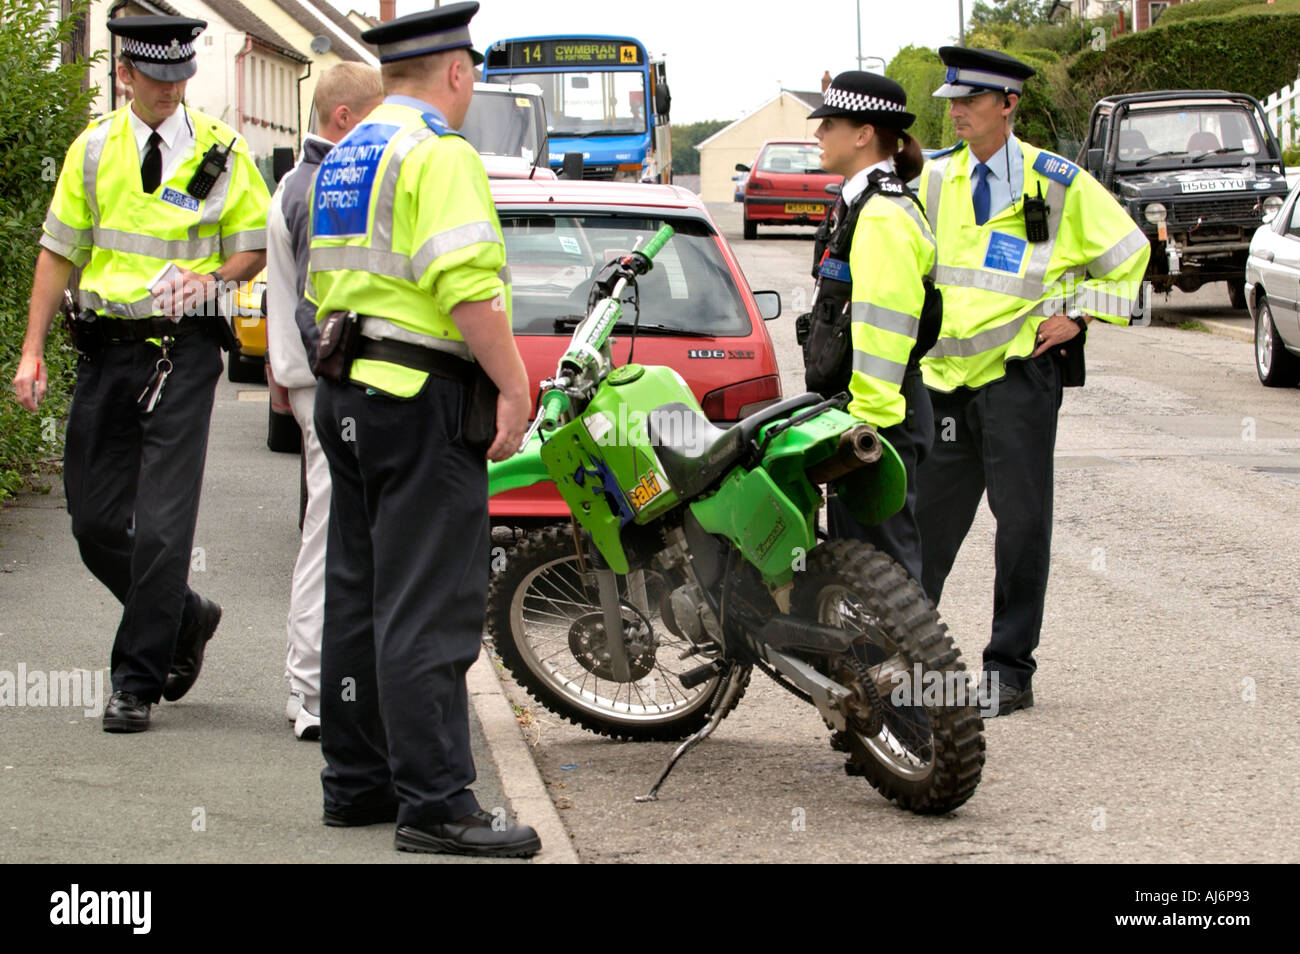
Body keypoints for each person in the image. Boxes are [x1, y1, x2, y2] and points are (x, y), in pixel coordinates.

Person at [307, 2, 540, 857]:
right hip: (419, 401)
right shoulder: (438, 155)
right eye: (472, 73)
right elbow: (467, 289)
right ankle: (439, 803)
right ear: (454, 71)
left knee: (360, 597)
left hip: (348, 395)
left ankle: (357, 781)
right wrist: (514, 387)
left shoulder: (348, 153)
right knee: (430, 608)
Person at [11, 14, 269, 733]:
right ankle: (186, 613)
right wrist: (31, 350)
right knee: (92, 521)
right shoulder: (92, 150)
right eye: (156, 79)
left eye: (180, 78)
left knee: (161, 528)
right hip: (106, 352)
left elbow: (252, 249)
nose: (170, 91)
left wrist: (209, 276)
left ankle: (136, 680)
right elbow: (56, 252)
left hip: (182, 354)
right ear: (125, 75)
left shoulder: (223, 151)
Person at [914, 47, 1149, 716]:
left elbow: (1131, 259)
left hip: (1018, 382)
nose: (955, 110)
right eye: (952, 100)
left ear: (1009, 105)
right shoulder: (932, 180)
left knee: (1020, 526)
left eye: (971, 100)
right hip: (944, 383)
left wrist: (1079, 313)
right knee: (927, 528)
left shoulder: (1059, 182)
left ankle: (1009, 671)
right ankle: (902, 659)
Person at [266, 63, 383, 742]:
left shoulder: (294, 183)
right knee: (330, 536)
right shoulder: (327, 187)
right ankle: (311, 688)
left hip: (307, 381)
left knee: (329, 530)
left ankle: (317, 683)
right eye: (375, 118)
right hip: (330, 381)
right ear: (344, 120)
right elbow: (326, 307)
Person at [804, 71, 938, 585]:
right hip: (861, 409)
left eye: (828, 123)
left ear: (863, 134)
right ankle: (867, 666)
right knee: (860, 573)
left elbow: (884, 330)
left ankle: (904, 667)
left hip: (878, 416)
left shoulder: (881, 214)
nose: (818, 134)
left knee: (883, 580)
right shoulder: (858, 204)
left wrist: (865, 431)